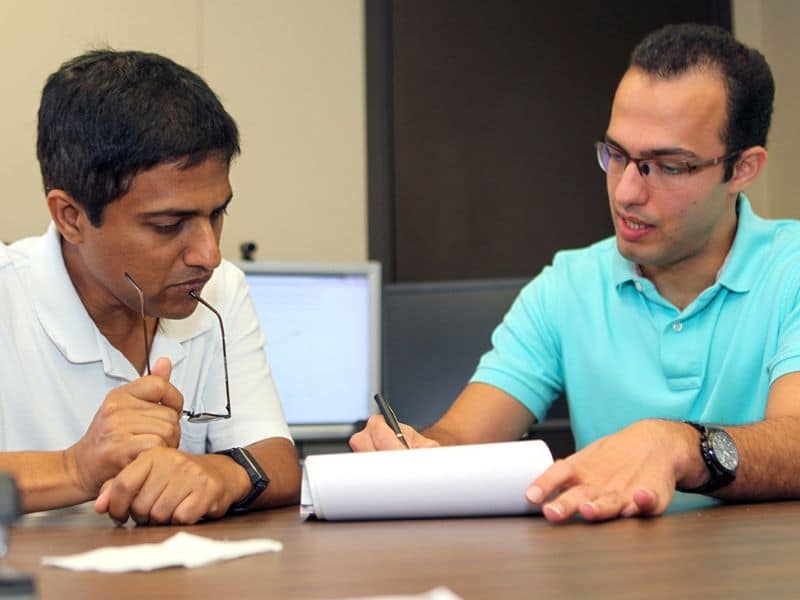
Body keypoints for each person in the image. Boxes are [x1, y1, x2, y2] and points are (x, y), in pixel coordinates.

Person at [351, 23, 800, 522]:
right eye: (616, 155)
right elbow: (460, 437)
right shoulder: (567, 286)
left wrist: (680, 446)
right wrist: (415, 450)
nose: (626, 191)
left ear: (743, 169)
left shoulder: (790, 270)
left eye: (668, 165)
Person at [0, 49, 301, 525]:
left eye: (217, 214)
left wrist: (220, 475)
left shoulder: (219, 289)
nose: (208, 255)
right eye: (167, 225)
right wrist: (73, 468)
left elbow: (278, 459)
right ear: (71, 218)